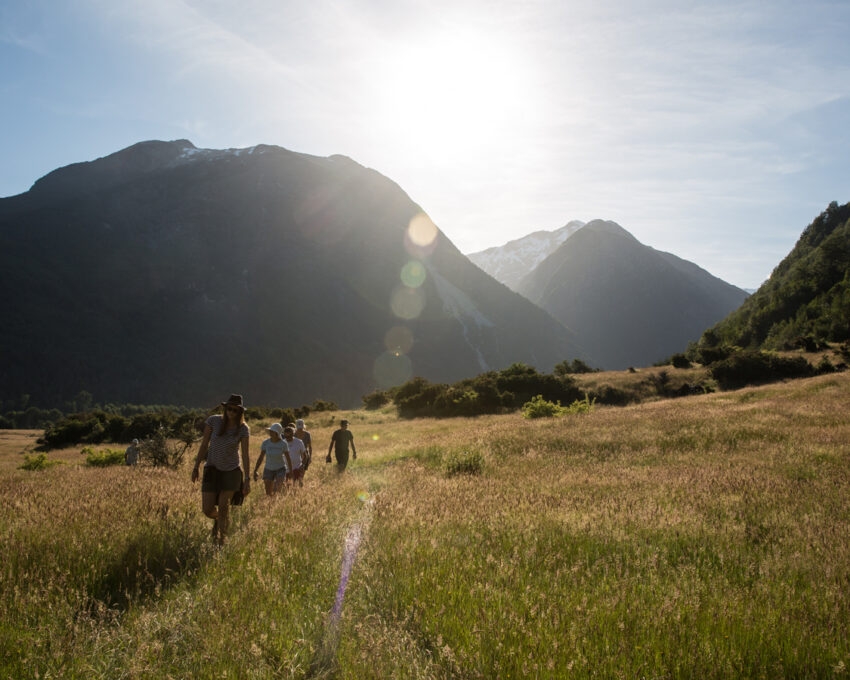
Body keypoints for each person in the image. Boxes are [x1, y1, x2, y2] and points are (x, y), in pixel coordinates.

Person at [191, 394, 251, 544]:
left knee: (224, 506)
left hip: (231, 471)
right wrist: (196, 466)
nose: (231, 412)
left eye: (235, 410)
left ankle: (221, 541)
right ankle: (218, 520)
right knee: (207, 509)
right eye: (229, 409)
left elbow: (245, 454)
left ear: (240, 412)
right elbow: (204, 445)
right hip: (212, 469)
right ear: (225, 409)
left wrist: (247, 479)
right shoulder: (213, 421)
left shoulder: (243, 429)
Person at [253, 423, 292, 496]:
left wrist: (290, 471)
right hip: (268, 469)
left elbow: (288, 458)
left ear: (277, 433)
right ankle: (269, 505)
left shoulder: (283, 444)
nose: (270, 433)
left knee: (276, 490)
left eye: (272, 431)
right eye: (270, 431)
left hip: (280, 469)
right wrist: (256, 470)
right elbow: (261, 457)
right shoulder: (266, 443)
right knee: (268, 493)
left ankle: (276, 504)